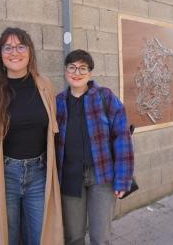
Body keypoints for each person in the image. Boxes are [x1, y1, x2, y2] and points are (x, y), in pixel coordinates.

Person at [0, 27, 63, 245]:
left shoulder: (45, 86)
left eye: (21, 46)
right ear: (0, 54)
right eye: (8, 47)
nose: (15, 52)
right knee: (6, 236)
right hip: (4, 174)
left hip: (39, 174)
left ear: (30, 52)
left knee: (40, 235)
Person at [56, 49, 134, 245]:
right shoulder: (57, 102)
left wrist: (122, 180)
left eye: (83, 68)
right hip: (70, 177)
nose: (77, 72)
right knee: (73, 237)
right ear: (66, 71)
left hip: (102, 177)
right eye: (72, 67)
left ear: (90, 73)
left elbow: (122, 138)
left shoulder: (105, 97)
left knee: (101, 237)